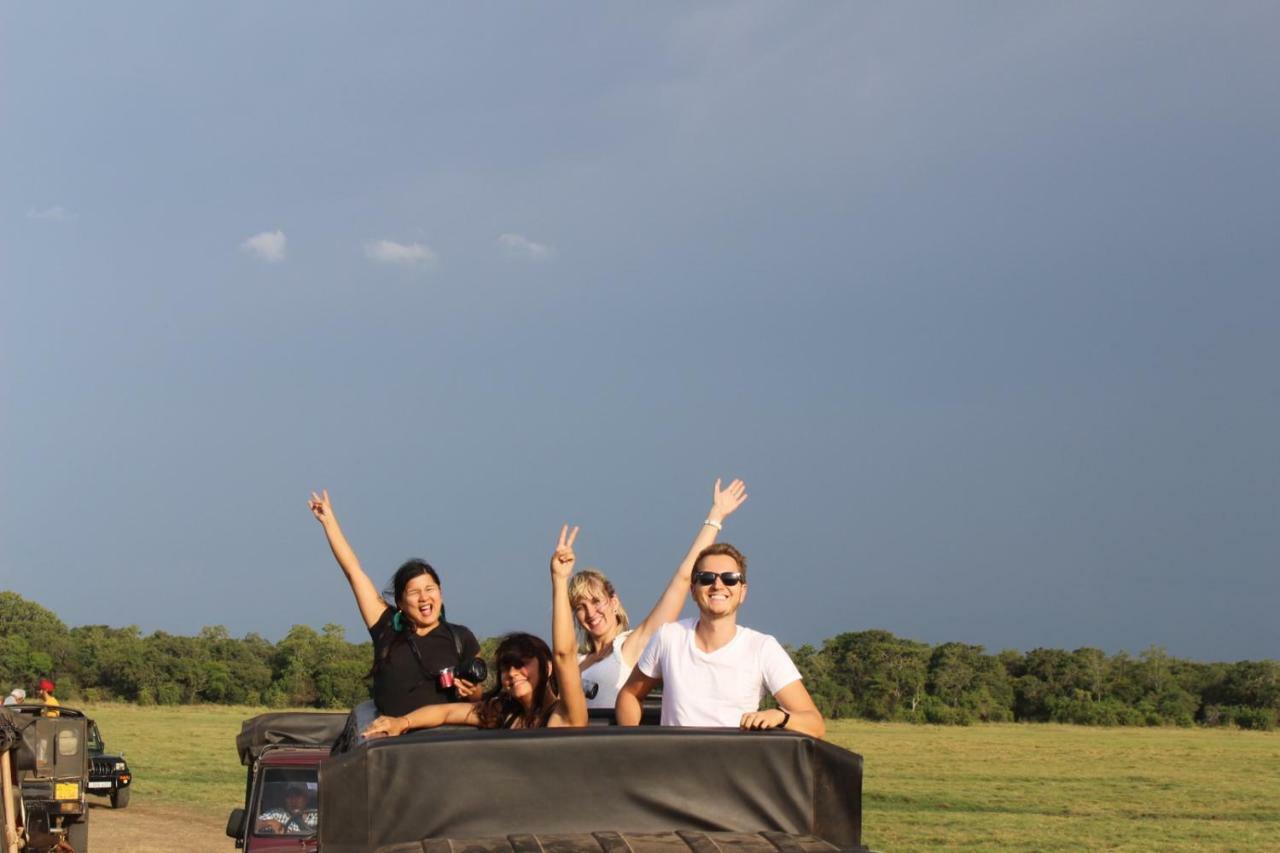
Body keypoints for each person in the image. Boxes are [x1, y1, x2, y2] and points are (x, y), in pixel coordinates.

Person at [362, 525, 589, 734]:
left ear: (547, 667)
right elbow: (446, 712)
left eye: (522, 664)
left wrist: (559, 580)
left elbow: (564, 654)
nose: (512, 673)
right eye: (506, 668)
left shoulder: (565, 716)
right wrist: (402, 723)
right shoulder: (503, 714)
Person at [570, 478, 748, 710]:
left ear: (614, 602)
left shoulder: (629, 646)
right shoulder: (577, 662)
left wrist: (715, 518)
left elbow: (682, 580)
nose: (591, 612)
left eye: (596, 602)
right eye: (580, 607)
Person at [615, 543, 825, 737]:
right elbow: (630, 695)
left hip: (733, 772)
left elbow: (815, 724)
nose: (717, 585)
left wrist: (780, 716)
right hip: (674, 772)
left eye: (730, 578)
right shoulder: (668, 637)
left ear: (742, 592)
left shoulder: (762, 648)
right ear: (693, 590)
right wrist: (636, 747)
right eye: (706, 578)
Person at [308, 490, 481, 722]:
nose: (424, 598)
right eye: (414, 592)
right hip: (391, 747)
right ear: (400, 601)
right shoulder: (386, 626)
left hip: (443, 745)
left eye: (430, 589)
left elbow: (478, 697)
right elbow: (354, 572)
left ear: (440, 593)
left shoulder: (462, 638)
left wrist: (471, 691)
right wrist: (328, 521)